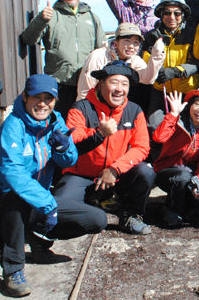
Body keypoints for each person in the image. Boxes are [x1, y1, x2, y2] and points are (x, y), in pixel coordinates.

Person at [0, 74, 89, 297]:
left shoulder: (55, 120)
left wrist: (63, 148)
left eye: (48, 98)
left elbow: (70, 161)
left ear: (55, 101)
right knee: (14, 200)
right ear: (24, 97)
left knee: (94, 220)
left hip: (37, 201)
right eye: (36, 97)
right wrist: (48, 204)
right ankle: (13, 269)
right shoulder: (13, 126)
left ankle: (35, 240)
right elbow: (13, 173)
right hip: (3, 204)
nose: (42, 103)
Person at [59, 63, 156, 235]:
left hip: (116, 176)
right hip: (81, 174)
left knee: (145, 172)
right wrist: (99, 132)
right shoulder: (81, 108)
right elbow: (73, 139)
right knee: (61, 206)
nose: (120, 89)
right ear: (101, 84)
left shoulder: (134, 111)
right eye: (114, 83)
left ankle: (130, 215)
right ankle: (90, 207)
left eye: (124, 84)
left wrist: (115, 169)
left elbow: (142, 147)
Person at [20, 0, 105, 114]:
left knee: (86, 126)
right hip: (59, 85)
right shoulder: (50, 15)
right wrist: (41, 20)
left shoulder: (92, 17)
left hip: (87, 85)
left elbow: (102, 51)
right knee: (60, 127)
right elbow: (28, 39)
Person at [149, 87, 199, 227]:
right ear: (190, 105)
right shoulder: (177, 122)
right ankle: (172, 210)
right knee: (182, 175)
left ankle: (186, 207)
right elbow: (158, 137)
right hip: (166, 171)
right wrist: (173, 114)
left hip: (190, 174)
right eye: (197, 104)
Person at [142, 0, 199, 113]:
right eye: (167, 13)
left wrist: (175, 71)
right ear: (161, 15)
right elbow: (145, 57)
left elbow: (197, 62)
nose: (172, 17)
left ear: (183, 15)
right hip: (160, 91)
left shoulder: (192, 34)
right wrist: (156, 71)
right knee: (154, 126)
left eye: (177, 13)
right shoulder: (152, 36)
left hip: (187, 91)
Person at [76, 22, 162, 101]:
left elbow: (148, 79)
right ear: (116, 42)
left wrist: (157, 54)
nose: (131, 46)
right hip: (96, 103)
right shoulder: (98, 56)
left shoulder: (135, 60)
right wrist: (85, 111)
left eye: (135, 42)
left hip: (118, 105)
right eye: (127, 41)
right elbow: (86, 89)